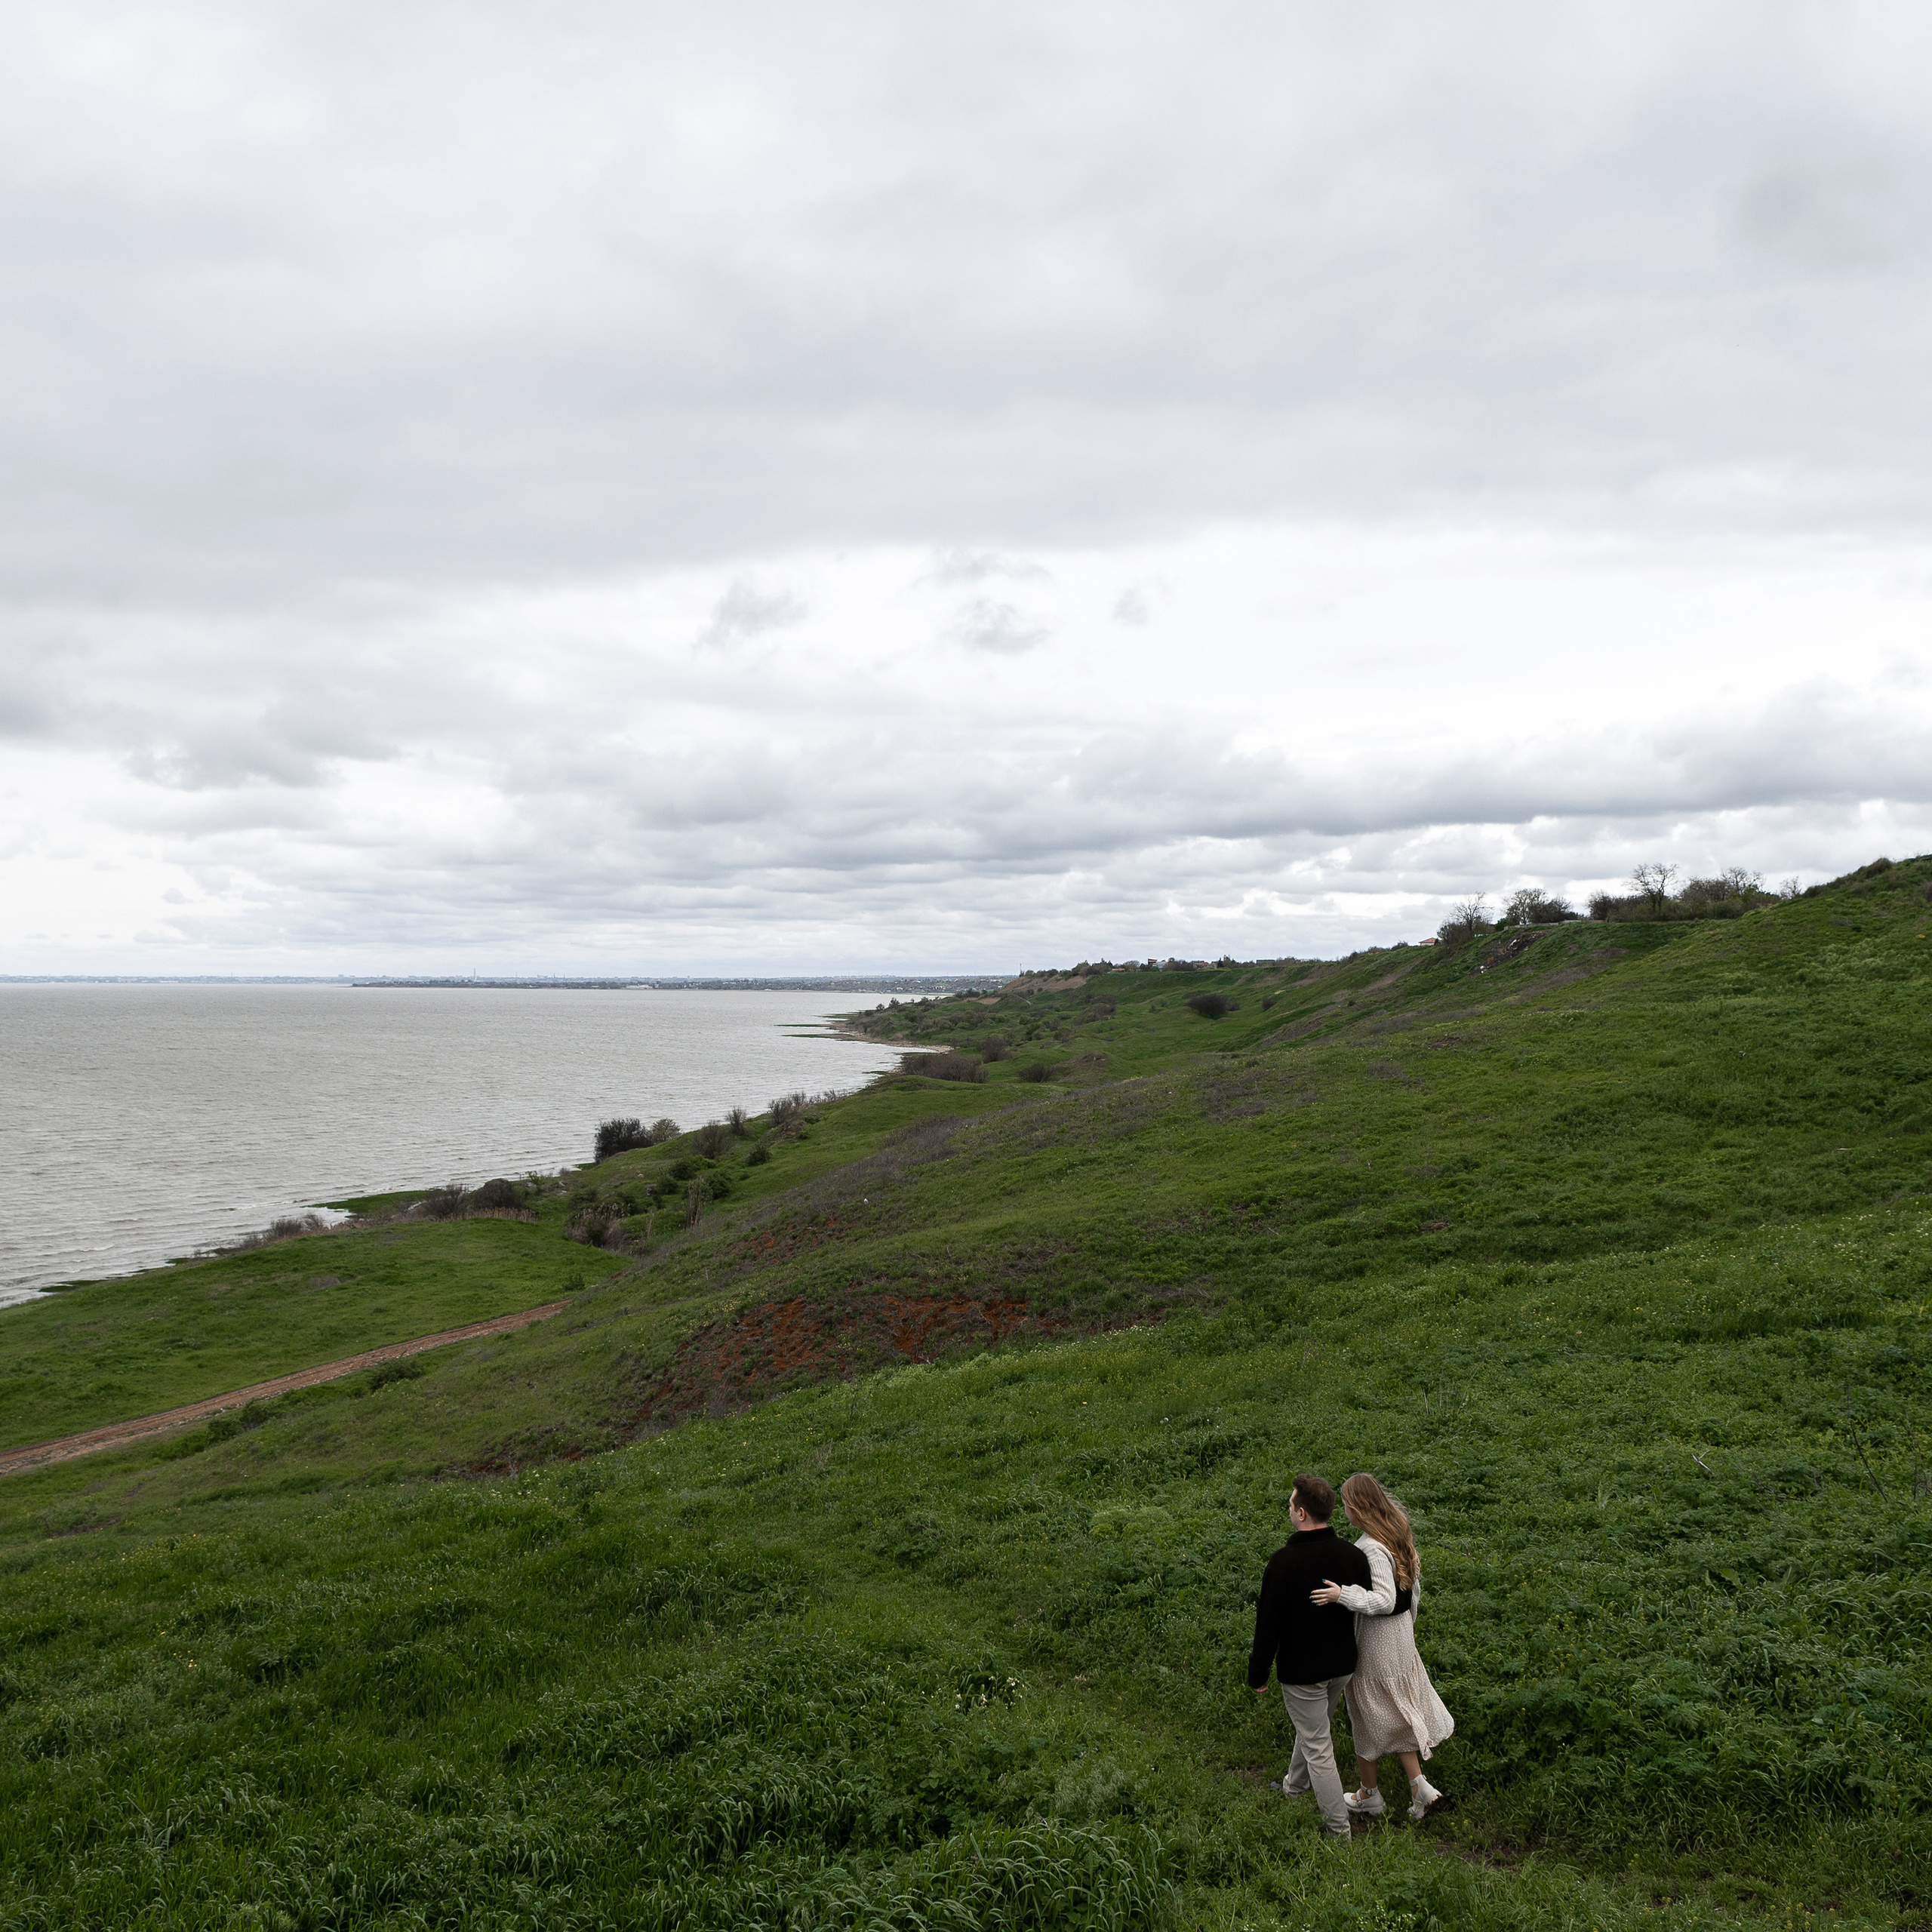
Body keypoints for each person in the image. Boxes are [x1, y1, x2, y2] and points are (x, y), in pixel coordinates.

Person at [1311, 1471, 1454, 1823]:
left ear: (1358, 1507)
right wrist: (1409, 1629)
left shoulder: (1372, 1547)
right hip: (1400, 1637)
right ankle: (1420, 1786)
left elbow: (1386, 1599)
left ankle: (1369, 1795)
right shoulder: (1396, 1535)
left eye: (1346, 1504)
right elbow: (1411, 1592)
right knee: (1394, 1709)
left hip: (1378, 1641)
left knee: (1366, 1712)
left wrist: (1342, 1595)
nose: (1344, 1511)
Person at [1247, 1472, 1373, 1841]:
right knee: (1315, 1728)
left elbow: (1267, 1625)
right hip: (1343, 1666)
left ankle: (1339, 1833)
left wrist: (1258, 1674)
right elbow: (1362, 1601)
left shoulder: (1283, 1563)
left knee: (1319, 1745)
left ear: (1301, 1513)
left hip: (1303, 1672)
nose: (1288, 1508)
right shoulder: (1353, 1556)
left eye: (1290, 1503)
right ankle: (1294, 1788)